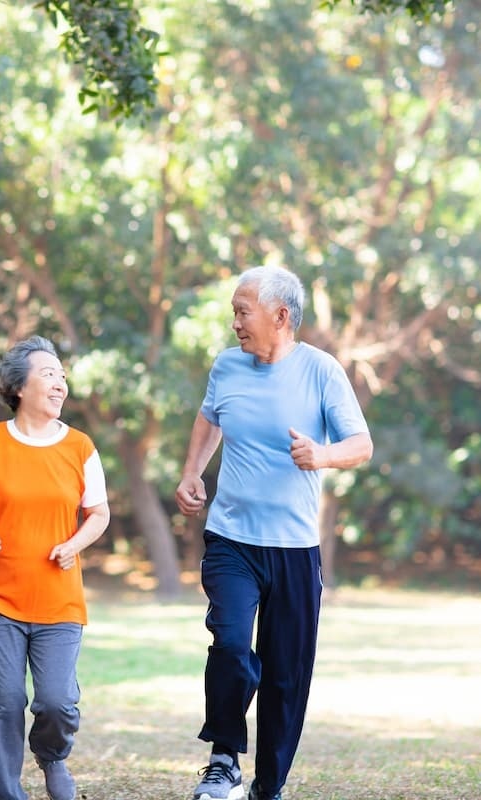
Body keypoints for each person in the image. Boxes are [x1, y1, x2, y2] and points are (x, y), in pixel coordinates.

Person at [174, 266, 373, 800]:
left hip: (293, 548)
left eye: (243, 311)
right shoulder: (227, 367)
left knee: (286, 674)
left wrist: (322, 454)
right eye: (235, 311)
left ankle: (270, 785)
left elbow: (361, 445)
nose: (234, 322)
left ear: (280, 316)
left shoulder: (321, 372)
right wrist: (193, 471)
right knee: (233, 642)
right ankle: (223, 759)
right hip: (232, 539)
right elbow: (209, 418)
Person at [0, 335, 111, 800]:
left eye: (62, 376)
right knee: (4, 702)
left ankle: (52, 756)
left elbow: (99, 513)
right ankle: (3, 792)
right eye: (49, 374)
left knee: (56, 703)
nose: (60, 384)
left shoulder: (79, 447)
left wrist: (75, 543)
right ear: (18, 387)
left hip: (59, 599)